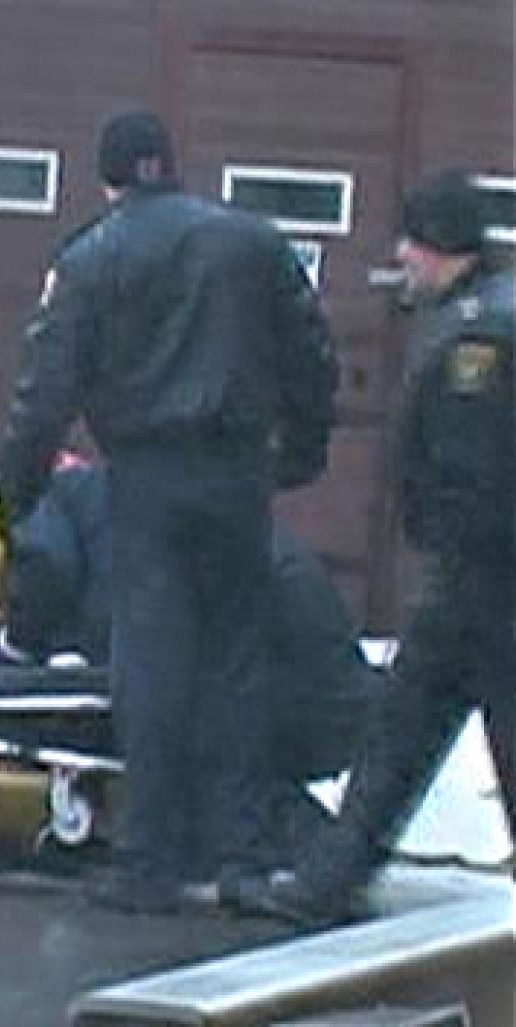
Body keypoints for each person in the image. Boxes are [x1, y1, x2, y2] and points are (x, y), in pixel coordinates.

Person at [0, 111, 339, 912]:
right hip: (236, 474)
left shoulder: (90, 258)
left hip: (145, 478)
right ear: (171, 165)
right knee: (236, 662)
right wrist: (300, 453)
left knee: (149, 665)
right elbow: (311, 355)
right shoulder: (253, 243)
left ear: (107, 178)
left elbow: (44, 390)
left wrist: (18, 494)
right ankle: (242, 856)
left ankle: (149, 861)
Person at [230, 170, 514, 927]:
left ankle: (328, 880)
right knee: (401, 728)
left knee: (414, 727)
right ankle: (329, 879)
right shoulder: (484, 312)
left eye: (410, 243)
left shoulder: (479, 338)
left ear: (440, 245)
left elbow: (476, 473)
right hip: (474, 584)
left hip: (485, 582)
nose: (400, 259)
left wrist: (454, 550)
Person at [0, 459, 379, 856]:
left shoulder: (42, 501)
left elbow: (45, 565)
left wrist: (10, 656)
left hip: (286, 670)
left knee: (191, 773)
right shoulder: (119, 507)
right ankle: (312, 842)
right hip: (323, 684)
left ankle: (310, 843)